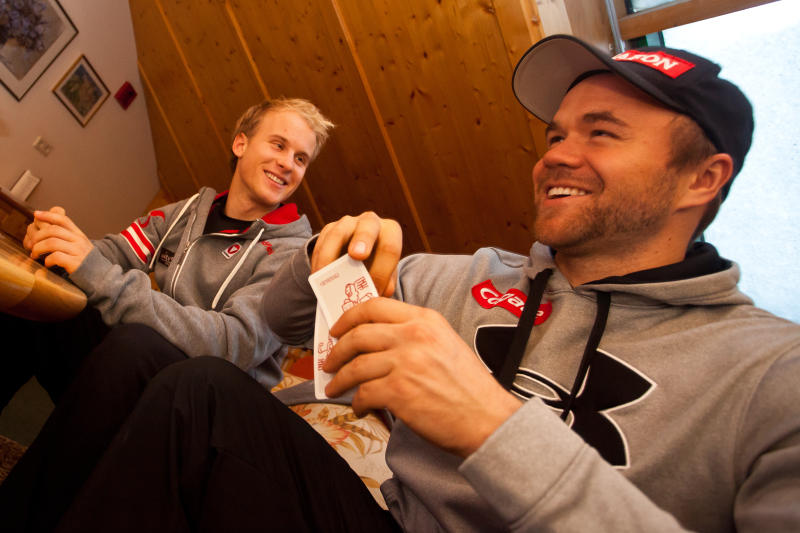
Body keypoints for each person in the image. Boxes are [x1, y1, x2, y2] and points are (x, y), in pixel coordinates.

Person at [8, 35, 800, 532]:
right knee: (181, 382)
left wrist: (494, 425)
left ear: (703, 177)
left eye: (603, 133)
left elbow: (239, 339)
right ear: (240, 143)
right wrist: (321, 259)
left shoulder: (774, 376)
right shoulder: (459, 277)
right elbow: (276, 326)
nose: (557, 154)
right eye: (556, 132)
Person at [0, 97, 334, 531]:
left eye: (301, 158)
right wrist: (62, 245)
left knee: (134, 343)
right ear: (240, 144)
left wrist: (97, 272)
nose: (288, 163)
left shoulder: (293, 254)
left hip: (205, 405)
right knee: (45, 292)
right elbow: (116, 252)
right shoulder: (192, 211)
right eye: (278, 144)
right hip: (145, 372)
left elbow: (232, 345)